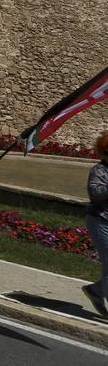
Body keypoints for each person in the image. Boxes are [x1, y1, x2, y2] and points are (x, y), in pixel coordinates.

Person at [85, 131, 108, 318]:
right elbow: (96, 192)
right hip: (101, 221)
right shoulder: (99, 170)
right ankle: (97, 291)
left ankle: (96, 291)